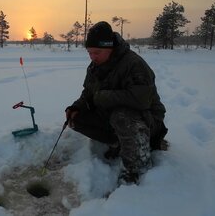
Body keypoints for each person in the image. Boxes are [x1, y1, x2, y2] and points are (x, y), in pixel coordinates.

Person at [65, 21, 167, 185]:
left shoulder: (134, 64)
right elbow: (89, 93)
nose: (92, 57)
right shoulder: (95, 66)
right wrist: (77, 106)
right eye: (89, 53)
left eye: (96, 52)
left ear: (110, 48)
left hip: (146, 119)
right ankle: (119, 141)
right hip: (113, 117)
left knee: (122, 116)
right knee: (75, 119)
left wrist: (104, 97)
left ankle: (136, 167)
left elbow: (142, 100)